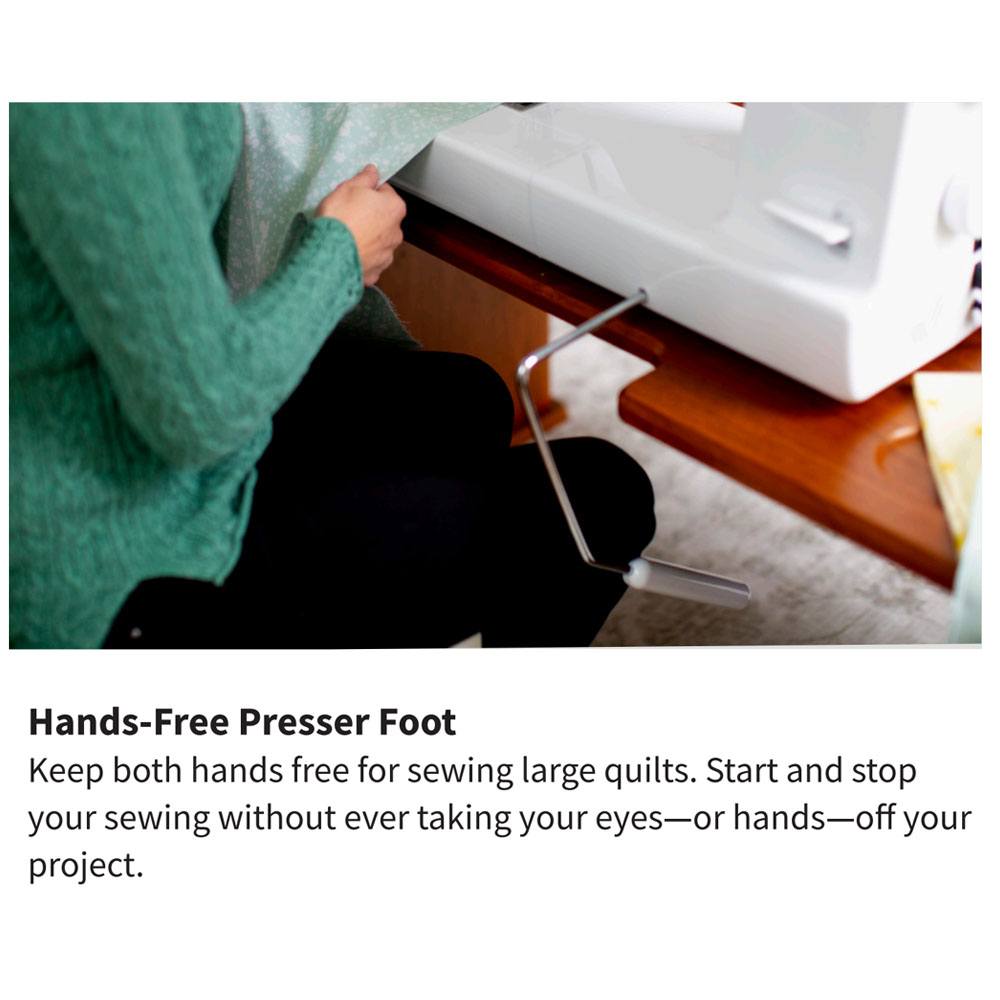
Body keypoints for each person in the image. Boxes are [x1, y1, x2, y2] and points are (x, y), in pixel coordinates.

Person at [9, 103, 656, 648]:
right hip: (104, 556)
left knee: (465, 401)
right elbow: (201, 412)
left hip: (122, 417)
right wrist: (338, 255)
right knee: (597, 499)